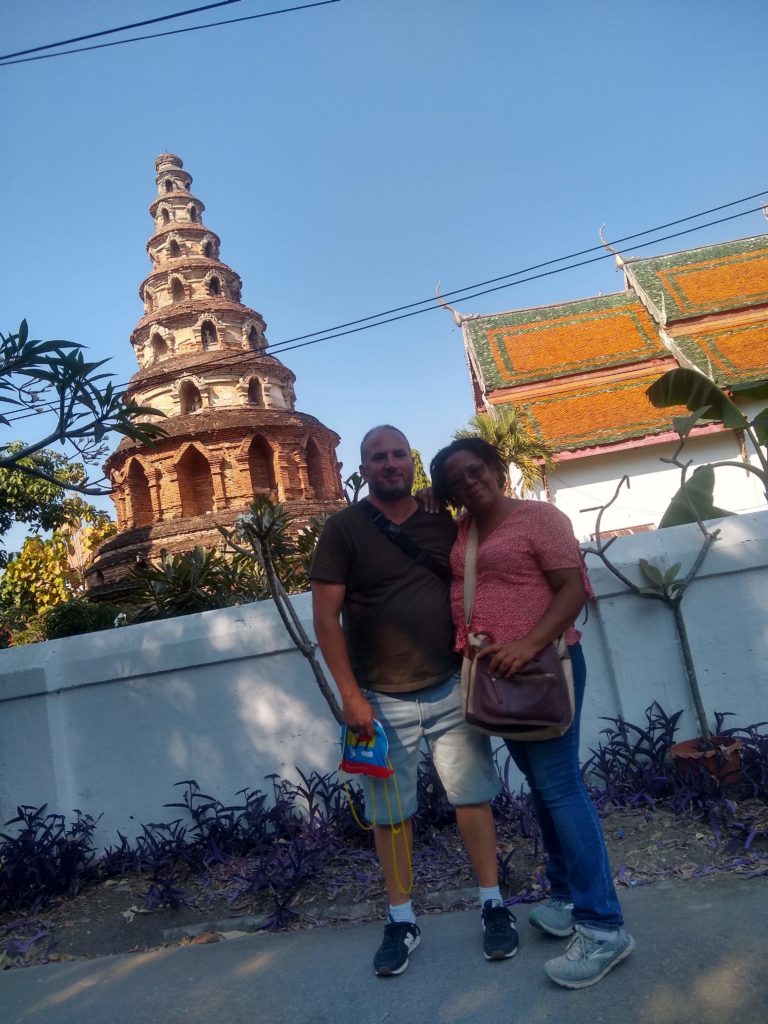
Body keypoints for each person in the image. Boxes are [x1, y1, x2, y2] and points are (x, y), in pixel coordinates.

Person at [310, 425, 516, 977]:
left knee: (472, 799)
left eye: (399, 453)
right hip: (380, 702)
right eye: (378, 457)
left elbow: (487, 561)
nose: (391, 463)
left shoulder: (439, 520)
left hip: (451, 686)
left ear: (412, 461)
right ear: (363, 468)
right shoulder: (343, 529)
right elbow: (325, 619)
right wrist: (351, 697)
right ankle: (401, 918)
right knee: (391, 815)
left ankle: (493, 905)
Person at [429, 437, 634, 990]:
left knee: (561, 786)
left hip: (544, 667)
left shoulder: (540, 517)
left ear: (496, 468)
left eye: (477, 471)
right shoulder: (466, 530)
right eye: (457, 481)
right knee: (542, 787)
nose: (471, 483)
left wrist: (528, 643)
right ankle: (566, 896)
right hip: (496, 677)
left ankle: (603, 927)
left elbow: (573, 590)